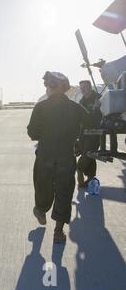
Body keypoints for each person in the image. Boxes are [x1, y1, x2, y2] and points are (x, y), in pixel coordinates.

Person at [27, 72, 90, 244]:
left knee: (42, 185)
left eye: (47, 85)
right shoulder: (75, 108)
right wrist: (77, 140)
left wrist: (46, 136)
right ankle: (58, 231)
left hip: (45, 156)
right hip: (66, 157)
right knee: (64, 192)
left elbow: (32, 133)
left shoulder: (40, 107)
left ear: (51, 87)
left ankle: (40, 209)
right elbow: (91, 122)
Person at [76, 80, 102, 188]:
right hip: (83, 133)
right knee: (90, 157)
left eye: (85, 87)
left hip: (94, 133)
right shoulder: (82, 101)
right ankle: (90, 180)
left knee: (88, 155)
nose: (83, 89)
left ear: (90, 87)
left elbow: (102, 115)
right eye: (81, 88)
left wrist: (97, 107)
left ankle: (79, 171)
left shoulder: (99, 98)